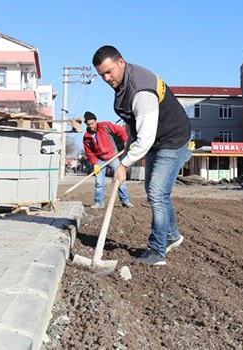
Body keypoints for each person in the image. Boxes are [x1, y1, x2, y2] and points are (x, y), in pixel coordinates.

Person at [93, 45, 192, 266]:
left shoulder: (141, 92)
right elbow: (133, 130)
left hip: (172, 138)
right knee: (155, 192)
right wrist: (126, 155)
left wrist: (124, 165)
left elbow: (144, 138)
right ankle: (172, 236)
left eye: (110, 71)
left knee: (157, 193)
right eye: (102, 75)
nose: (107, 78)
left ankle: (157, 251)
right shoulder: (122, 88)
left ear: (121, 62)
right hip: (156, 138)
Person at [82, 111, 134, 209]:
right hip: (99, 160)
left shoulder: (106, 126)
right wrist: (95, 164)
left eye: (92, 123)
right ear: (86, 124)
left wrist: (127, 141)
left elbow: (121, 131)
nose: (91, 126)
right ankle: (99, 203)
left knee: (120, 178)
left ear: (96, 121)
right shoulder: (86, 137)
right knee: (99, 182)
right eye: (88, 124)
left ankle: (125, 201)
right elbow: (89, 152)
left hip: (112, 156)